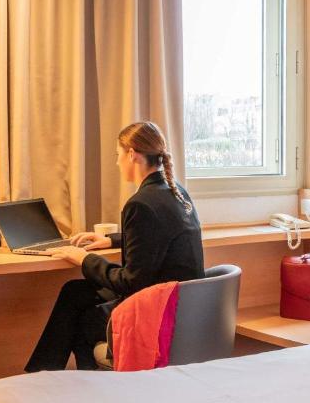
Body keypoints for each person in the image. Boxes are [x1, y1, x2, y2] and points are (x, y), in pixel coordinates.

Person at [25, 121, 204, 371]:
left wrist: (83, 259)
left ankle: (54, 378)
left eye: (118, 155)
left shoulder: (140, 204)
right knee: (74, 293)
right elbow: (158, 234)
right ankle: (45, 374)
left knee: (82, 319)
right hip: (182, 303)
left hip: (158, 309)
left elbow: (130, 282)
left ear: (132, 154)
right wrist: (111, 240)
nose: (117, 162)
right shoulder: (177, 193)